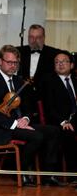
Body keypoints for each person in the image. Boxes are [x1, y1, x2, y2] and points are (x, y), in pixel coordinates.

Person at [0, 45, 62, 187]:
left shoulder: (20, 82)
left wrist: (25, 119)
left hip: (19, 124)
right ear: (0, 61)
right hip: (1, 128)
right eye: (9, 62)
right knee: (37, 136)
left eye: (15, 63)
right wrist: (15, 124)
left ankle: (48, 175)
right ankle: (22, 171)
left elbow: (29, 108)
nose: (13, 66)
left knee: (54, 131)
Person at [41, 51, 77, 179]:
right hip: (58, 122)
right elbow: (49, 109)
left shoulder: (75, 80)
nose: (60, 64)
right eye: (57, 62)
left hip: (74, 120)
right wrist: (64, 122)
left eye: (64, 61)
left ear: (72, 65)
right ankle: (74, 174)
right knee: (68, 132)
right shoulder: (49, 82)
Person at [17, 24, 60, 121]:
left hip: (45, 100)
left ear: (44, 38)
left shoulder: (54, 53)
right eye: (31, 37)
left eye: (38, 37)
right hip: (22, 100)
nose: (34, 40)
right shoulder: (18, 52)